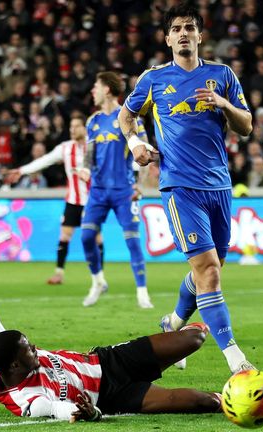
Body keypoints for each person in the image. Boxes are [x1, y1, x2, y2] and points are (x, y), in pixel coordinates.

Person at [0, 206, 263, 420]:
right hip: (113, 396)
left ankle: (174, 321)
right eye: (29, 349)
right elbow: (57, 409)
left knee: (195, 336)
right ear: (16, 365)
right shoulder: (25, 399)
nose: (35, 347)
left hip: (107, 361)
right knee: (201, 402)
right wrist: (85, 412)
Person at [118, 3, 255, 373]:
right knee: (209, 270)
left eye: (189, 27)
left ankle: (174, 322)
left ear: (199, 36)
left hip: (219, 185)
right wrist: (136, 143)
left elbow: (246, 126)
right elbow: (126, 115)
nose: (183, 33)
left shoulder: (222, 75)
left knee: (211, 268)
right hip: (180, 186)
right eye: (176, 28)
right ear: (167, 39)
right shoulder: (154, 79)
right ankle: (236, 360)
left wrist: (224, 103)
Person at [78, 71, 153, 309]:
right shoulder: (93, 121)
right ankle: (98, 281)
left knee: (132, 241)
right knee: (86, 236)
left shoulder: (129, 118)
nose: (93, 91)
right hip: (98, 191)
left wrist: (140, 185)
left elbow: (145, 151)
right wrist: (85, 169)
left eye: (96, 86)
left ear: (107, 89)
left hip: (124, 190)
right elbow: (90, 153)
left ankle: (142, 293)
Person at [5, 118, 102, 290]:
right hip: (73, 201)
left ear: (84, 128)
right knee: (64, 236)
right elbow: (44, 160)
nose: (72, 129)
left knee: (95, 238)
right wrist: (22, 171)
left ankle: (99, 278)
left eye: (76, 126)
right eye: (71, 127)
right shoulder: (65, 148)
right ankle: (59, 273)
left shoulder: (95, 145)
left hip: (92, 201)